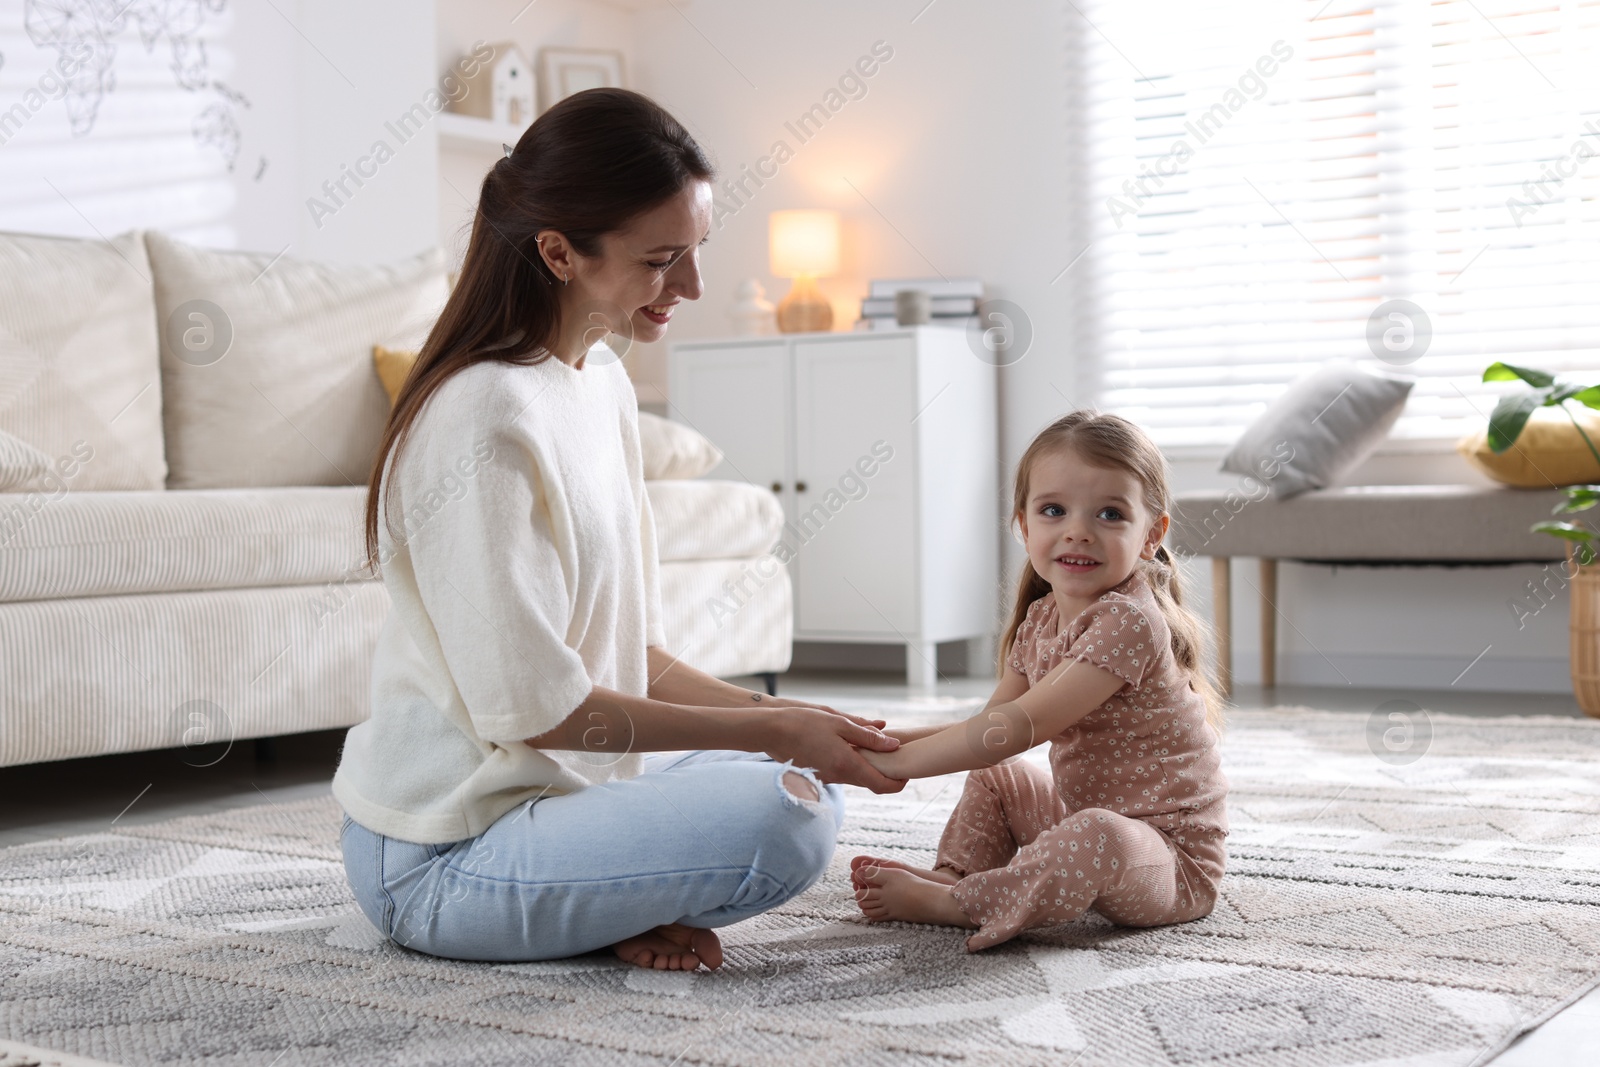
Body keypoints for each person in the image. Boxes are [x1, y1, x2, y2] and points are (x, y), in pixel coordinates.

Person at [332, 88, 905, 973]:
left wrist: (785, 714)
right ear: (559, 252)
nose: (693, 285)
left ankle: (593, 905)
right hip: (444, 853)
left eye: (697, 249)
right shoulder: (482, 419)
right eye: (663, 259)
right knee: (780, 820)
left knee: (805, 785)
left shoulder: (600, 380)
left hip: (555, 800)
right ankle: (582, 904)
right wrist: (772, 733)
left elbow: (620, 654)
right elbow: (546, 709)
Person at [850, 410, 1229, 951]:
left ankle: (965, 903)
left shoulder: (1131, 621)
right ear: (1025, 525)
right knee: (997, 775)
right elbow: (988, 729)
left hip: (1166, 860)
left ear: (1152, 534)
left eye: (1110, 514)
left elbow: (1021, 726)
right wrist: (873, 741)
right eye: (1054, 510)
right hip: (1082, 817)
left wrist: (895, 765)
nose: (1078, 530)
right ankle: (958, 874)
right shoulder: (1042, 619)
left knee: (1098, 832)